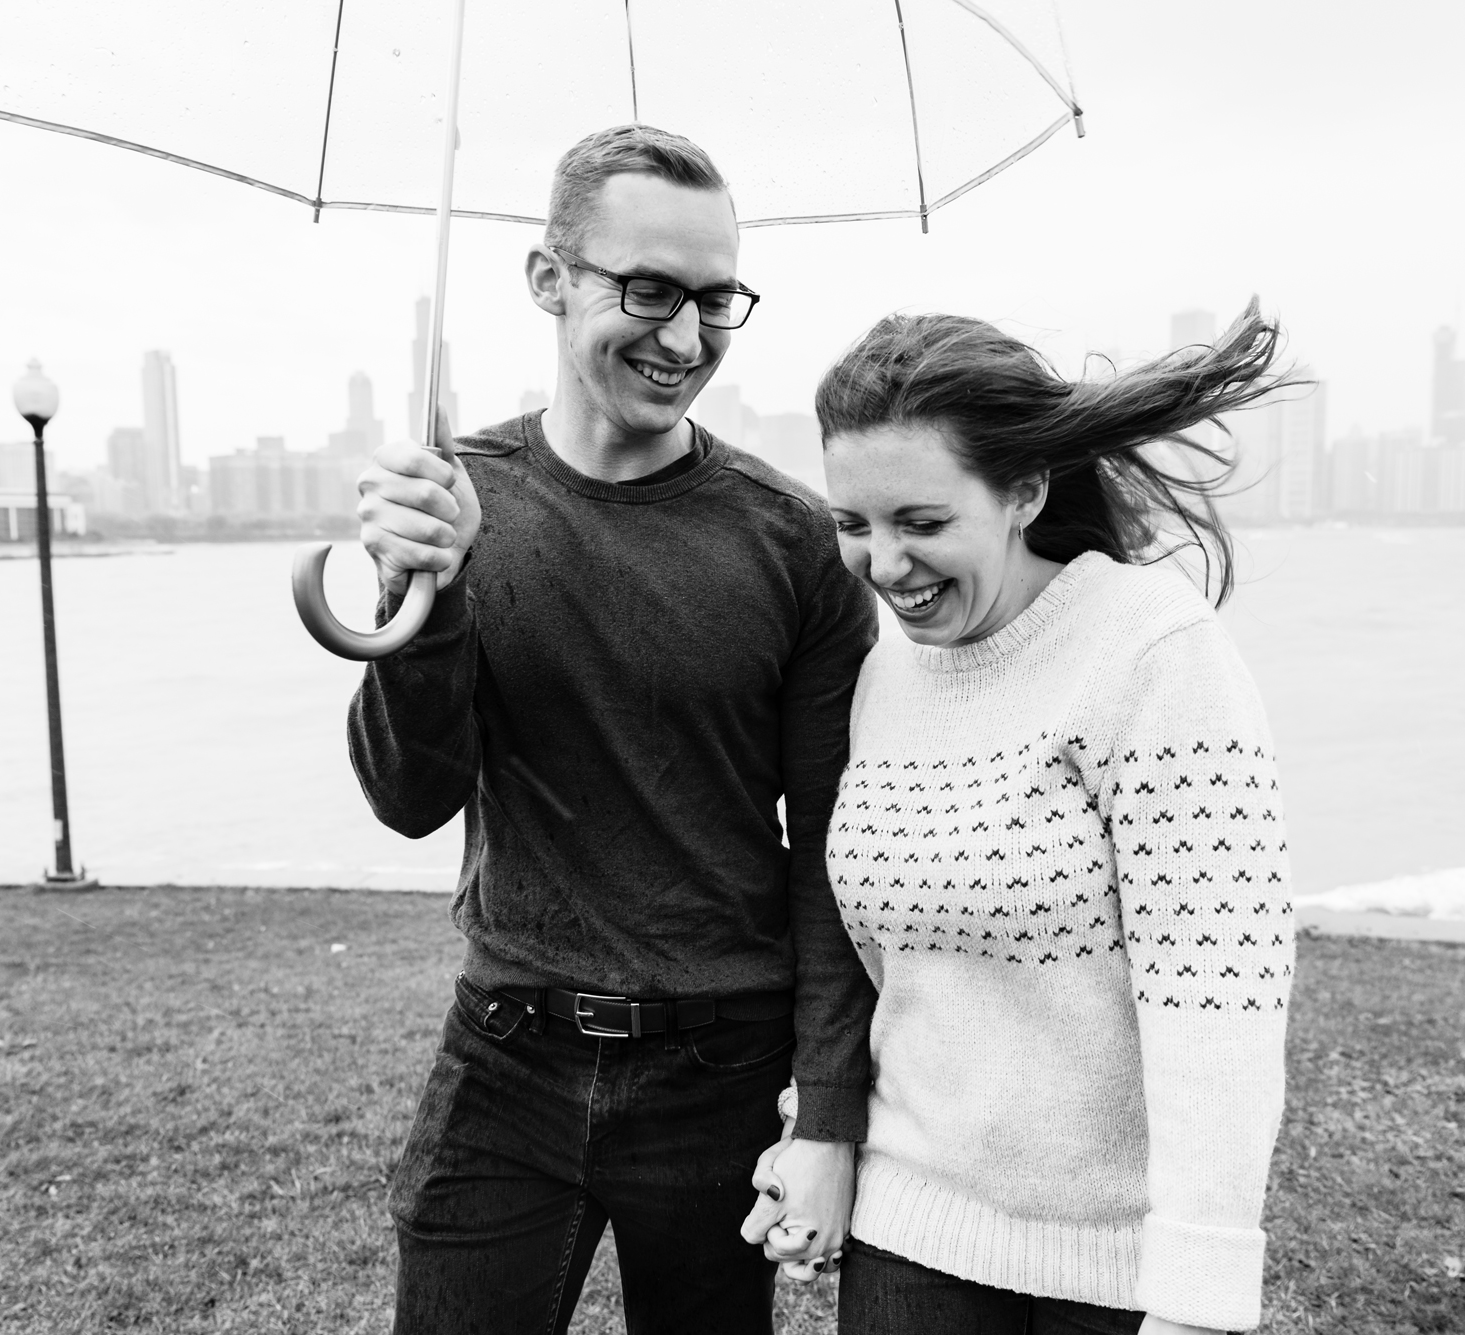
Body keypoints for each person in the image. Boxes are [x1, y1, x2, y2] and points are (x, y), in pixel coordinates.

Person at [348, 124, 878, 1335]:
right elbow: (408, 795)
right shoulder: (454, 499)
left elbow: (834, 847)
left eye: (715, 301)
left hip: (720, 1065)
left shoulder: (791, 541)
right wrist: (424, 596)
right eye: (646, 291)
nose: (683, 339)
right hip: (506, 1044)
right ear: (549, 279)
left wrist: (831, 1107)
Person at [757, 306, 1298, 1334]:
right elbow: (894, 973)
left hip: (1111, 1266)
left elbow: (1216, 994)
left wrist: (1196, 1290)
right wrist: (812, 1132)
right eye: (853, 525)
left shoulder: (1150, 656)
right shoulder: (879, 678)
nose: (882, 564)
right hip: (907, 1234)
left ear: (1023, 492)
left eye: (920, 523)